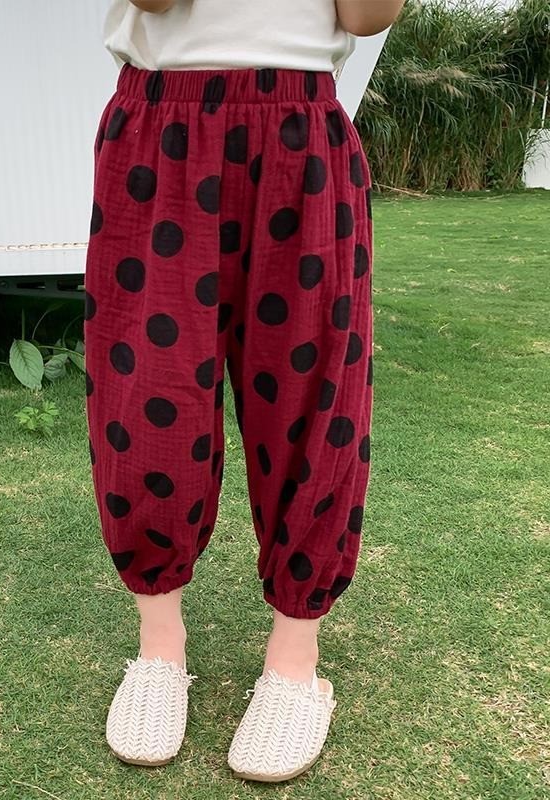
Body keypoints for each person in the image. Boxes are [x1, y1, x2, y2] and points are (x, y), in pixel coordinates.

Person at [83, 0, 406, 782]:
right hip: (161, 124)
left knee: (313, 395)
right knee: (146, 394)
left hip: (302, 127)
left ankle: (295, 657)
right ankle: (160, 646)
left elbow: (368, 16)